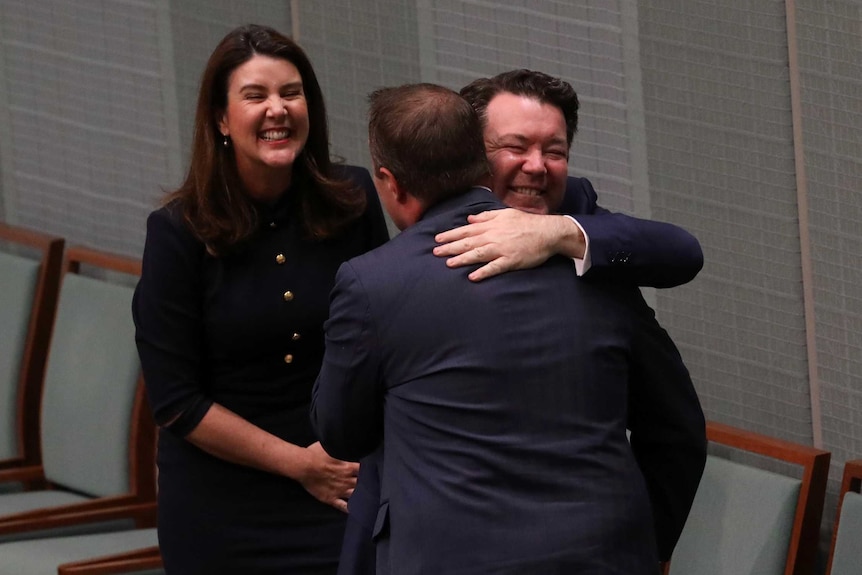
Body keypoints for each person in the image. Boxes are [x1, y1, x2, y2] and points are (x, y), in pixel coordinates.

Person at [311, 82, 704, 574]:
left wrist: (563, 234)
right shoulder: (391, 272)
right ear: (472, 152)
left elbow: (683, 258)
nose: (536, 166)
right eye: (515, 147)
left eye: (554, 151)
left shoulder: (586, 250)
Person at [132, 24, 389, 574]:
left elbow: (382, 339)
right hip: (222, 504)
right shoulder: (178, 232)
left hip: (340, 483)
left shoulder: (353, 199)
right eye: (256, 96)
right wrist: (299, 465)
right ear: (222, 120)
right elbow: (176, 400)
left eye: (291, 93)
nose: (278, 110)